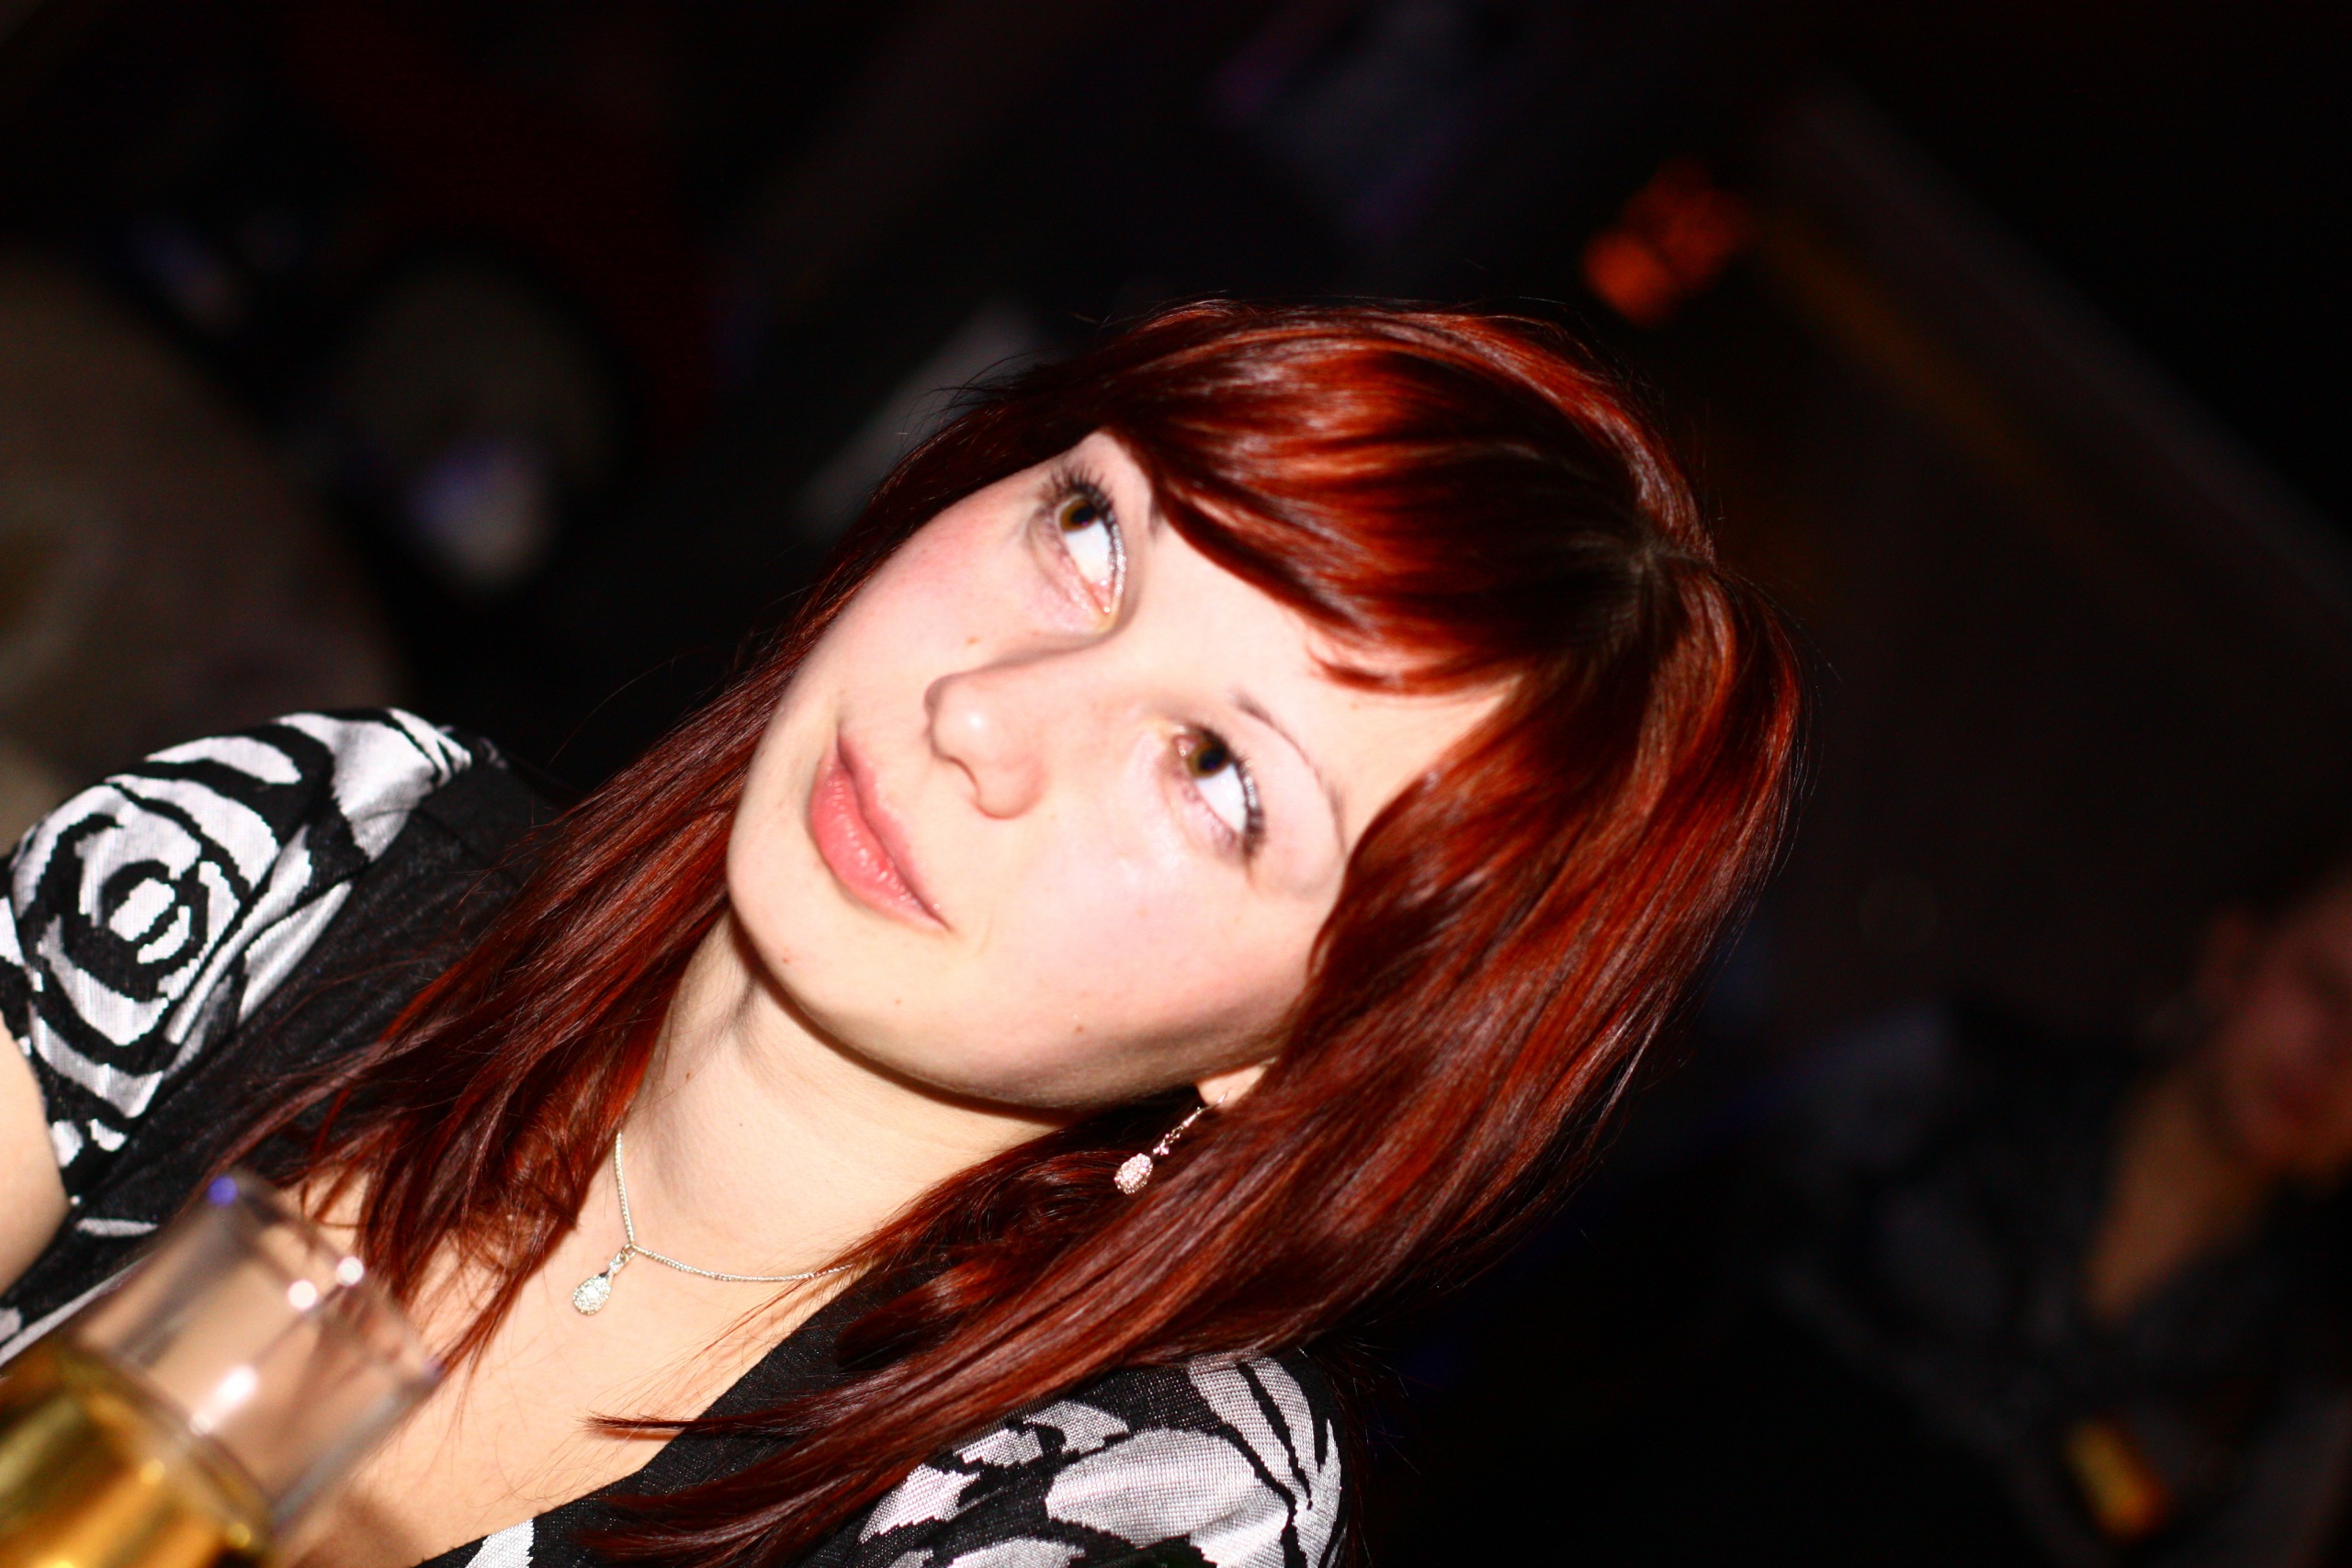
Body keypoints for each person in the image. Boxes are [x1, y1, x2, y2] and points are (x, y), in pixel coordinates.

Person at [0, 302, 1799, 1568]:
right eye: (1090, 534)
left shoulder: (1130, 1502)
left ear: (1313, 1041)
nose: (984, 711)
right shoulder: (303, 859)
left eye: (1218, 777)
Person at [1382, 830, 2352, 1568]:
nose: (2333, 1055)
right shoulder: (1954, 1083)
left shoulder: (2290, 1391)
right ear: (2231, 958)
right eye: (2325, 989)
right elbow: (1622, 1261)